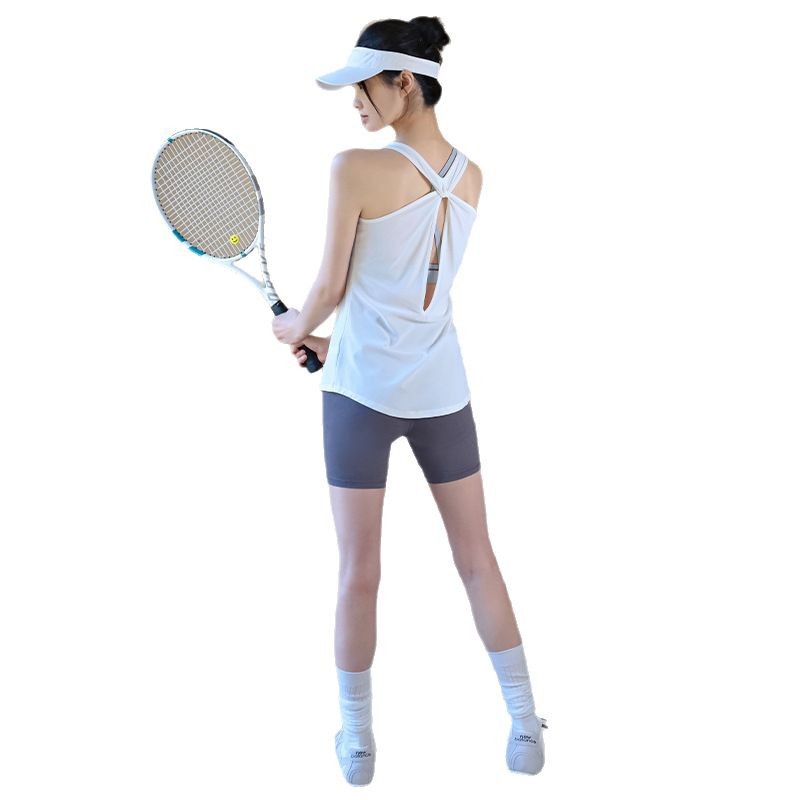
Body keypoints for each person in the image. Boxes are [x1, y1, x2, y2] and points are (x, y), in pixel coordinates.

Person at [271, 15, 547, 786]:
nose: (355, 103)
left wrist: (294, 327)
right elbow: (408, 300)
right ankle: (526, 728)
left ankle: (358, 745)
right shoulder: (472, 176)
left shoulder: (355, 168)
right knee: (478, 559)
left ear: (403, 81)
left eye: (364, 87)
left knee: (358, 570)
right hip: (440, 391)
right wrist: (332, 339)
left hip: (360, 396)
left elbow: (329, 289)